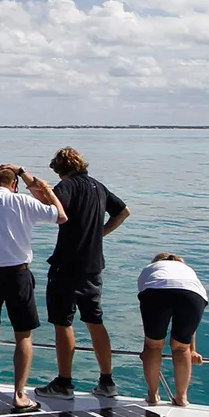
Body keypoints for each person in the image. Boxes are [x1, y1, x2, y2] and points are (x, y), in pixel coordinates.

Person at [0, 164, 69, 411]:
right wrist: (48, 191)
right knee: (23, 334)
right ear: (13, 184)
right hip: (18, 274)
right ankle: (19, 395)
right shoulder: (23, 202)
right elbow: (61, 216)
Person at [36, 147, 131, 401]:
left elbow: (53, 209)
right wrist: (99, 233)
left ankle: (64, 382)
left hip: (66, 263)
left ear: (60, 170)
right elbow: (123, 211)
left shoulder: (67, 187)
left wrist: (40, 192)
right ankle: (107, 381)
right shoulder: (98, 186)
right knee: (94, 320)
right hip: (93, 264)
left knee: (62, 322)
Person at [137, 253, 209, 406]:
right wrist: (192, 349)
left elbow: (149, 318)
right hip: (193, 294)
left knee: (153, 346)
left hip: (156, 291)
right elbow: (191, 327)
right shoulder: (187, 270)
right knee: (182, 349)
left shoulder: (150, 269)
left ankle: (153, 395)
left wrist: (148, 348)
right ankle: (181, 398)